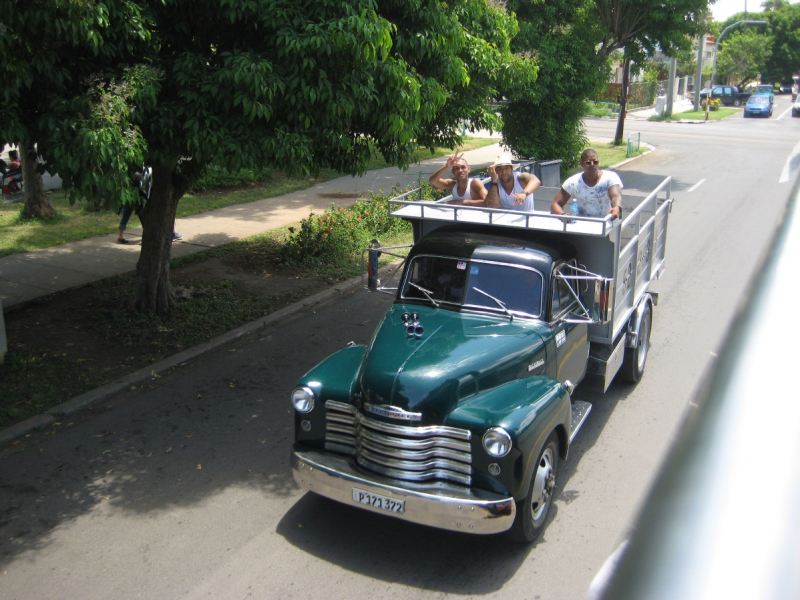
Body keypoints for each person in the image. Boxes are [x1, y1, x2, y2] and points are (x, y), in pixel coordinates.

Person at [551, 149, 623, 220]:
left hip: (605, 224)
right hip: (581, 225)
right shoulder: (572, 182)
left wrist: (616, 207)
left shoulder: (610, 177)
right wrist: (563, 215)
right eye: (588, 163)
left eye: (595, 162)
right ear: (581, 164)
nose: (592, 165)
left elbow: (616, 196)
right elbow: (556, 204)